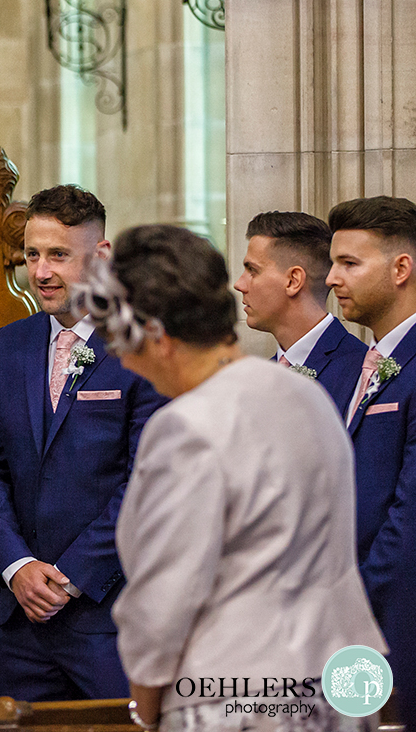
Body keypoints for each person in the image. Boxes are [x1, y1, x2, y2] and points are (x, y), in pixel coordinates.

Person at [80, 224, 385, 732]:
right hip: (336, 687)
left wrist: (146, 708)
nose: (118, 357)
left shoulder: (185, 427)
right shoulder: (304, 394)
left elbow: (164, 595)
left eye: (118, 338)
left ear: (154, 334)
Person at [0, 184, 165, 702]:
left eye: (59, 255)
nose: (41, 271)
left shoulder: (141, 346)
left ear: (100, 257)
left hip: (107, 614)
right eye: (32, 254)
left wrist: (70, 577)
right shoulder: (11, 345)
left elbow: (145, 481)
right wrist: (17, 566)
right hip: (20, 622)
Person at [326, 195, 416, 645]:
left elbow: (409, 517)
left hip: (392, 616)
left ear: (401, 270)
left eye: (348, 263)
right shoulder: (376, 359)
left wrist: (354, 602)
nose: (331, 278)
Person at [234, 210, 365, 410]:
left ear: (293, 281)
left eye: (253, 270)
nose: (239, 284)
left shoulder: (361, 371)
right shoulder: (261, 377)